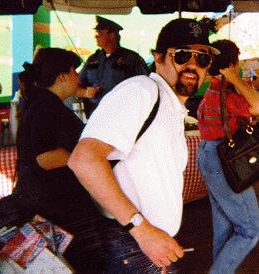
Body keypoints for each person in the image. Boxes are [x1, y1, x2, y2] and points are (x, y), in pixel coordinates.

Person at [68, 18, 220, 273]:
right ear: (157, 57)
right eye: (182, 55)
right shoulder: (140, 91)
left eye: (202, 59)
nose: (193, 65)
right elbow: (83, 159)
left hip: (146, 247)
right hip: (131, 245)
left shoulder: (171, 106)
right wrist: (143, 230)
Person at [0, 48, 108, 273]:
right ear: (62, 76)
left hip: (51, 203)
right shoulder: (48, 108)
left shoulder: (43, 104)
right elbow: (45, 158)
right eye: (74, 70)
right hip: (55, 207)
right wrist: (87, 156)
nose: (78, 76)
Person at [196, 39, 259, 274]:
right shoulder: (229, 95)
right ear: (232, 65)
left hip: (208, 156)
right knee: (251, 229)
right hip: (226, 162)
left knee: (224, 227)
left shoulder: (212, 90)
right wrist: (233, 78)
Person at [79, 15, 150, 117]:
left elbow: (147, 84)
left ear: (112, 35)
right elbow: (79, 82)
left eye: (99, 33)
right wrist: (85, 92)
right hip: (94, 116)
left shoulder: (131, 58)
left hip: (120, 117)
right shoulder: (93, 59)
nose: (96, 36)